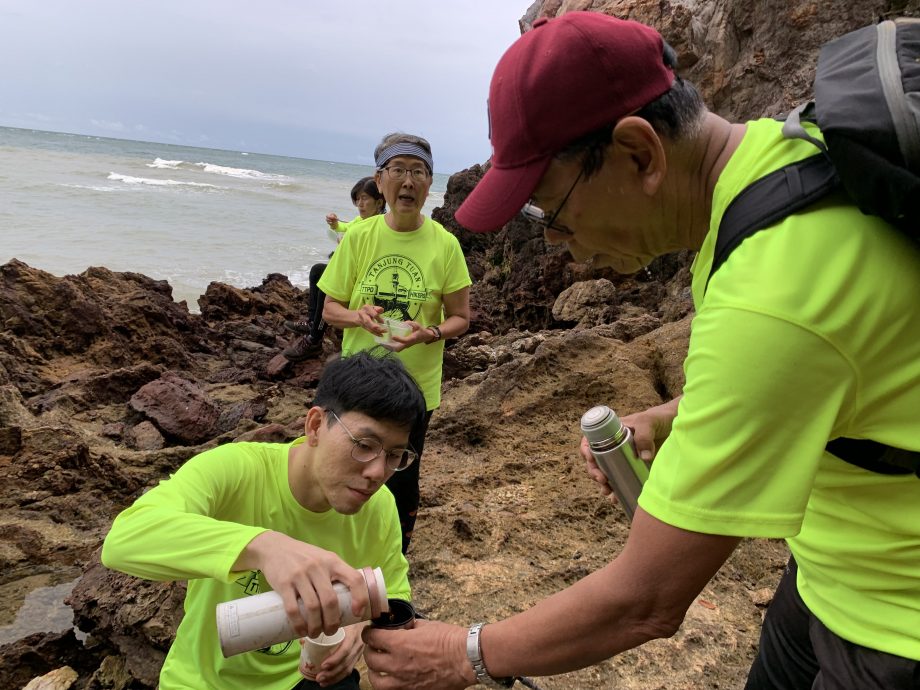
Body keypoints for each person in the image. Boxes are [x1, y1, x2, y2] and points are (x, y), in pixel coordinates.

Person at [361, 12, 920, 690]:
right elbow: (830, 369)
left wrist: (464, 653)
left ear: (639, 153)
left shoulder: (773, 293)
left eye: (550, 210)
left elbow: (646, 600)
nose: (557, 239)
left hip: (893, 625)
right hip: (827, 574)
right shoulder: (785, 158)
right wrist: (676, 414)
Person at [101, 351, 425, 690]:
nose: (377, 472)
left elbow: (394, 589)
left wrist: (362, 628)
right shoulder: (237, 469)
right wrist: (263, 547)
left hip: (308, 675)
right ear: (315, 425)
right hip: (204, 681)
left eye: (393, 455)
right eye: (364, 444)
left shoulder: (379, 506)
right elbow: (125, 539)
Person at [317, 132, 472, 553]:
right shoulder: (359, 237)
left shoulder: (446, 244)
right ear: (380, 179)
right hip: (356, 384)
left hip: (415, 387)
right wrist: (359, 317)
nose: (408, 181)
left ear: (428, 183)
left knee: (400, 480)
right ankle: (334, 550)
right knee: (339, 470)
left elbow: (461, 317)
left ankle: (392, 561)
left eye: (418, 172)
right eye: (399, 170)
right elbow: (330, 309)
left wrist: (432, 331)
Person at [283, 177, 386, 361]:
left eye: (364, 199)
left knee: (327, 283)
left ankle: (314, 340)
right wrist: (335, 225)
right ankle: (312, 322)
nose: (360, 204)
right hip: (351, 274)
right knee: (317, 271)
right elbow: (345, 227)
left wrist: (344, 241)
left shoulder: (380, 225)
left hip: (363, 281)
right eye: (357, 199)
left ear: (379, 202)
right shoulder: (360, 221)